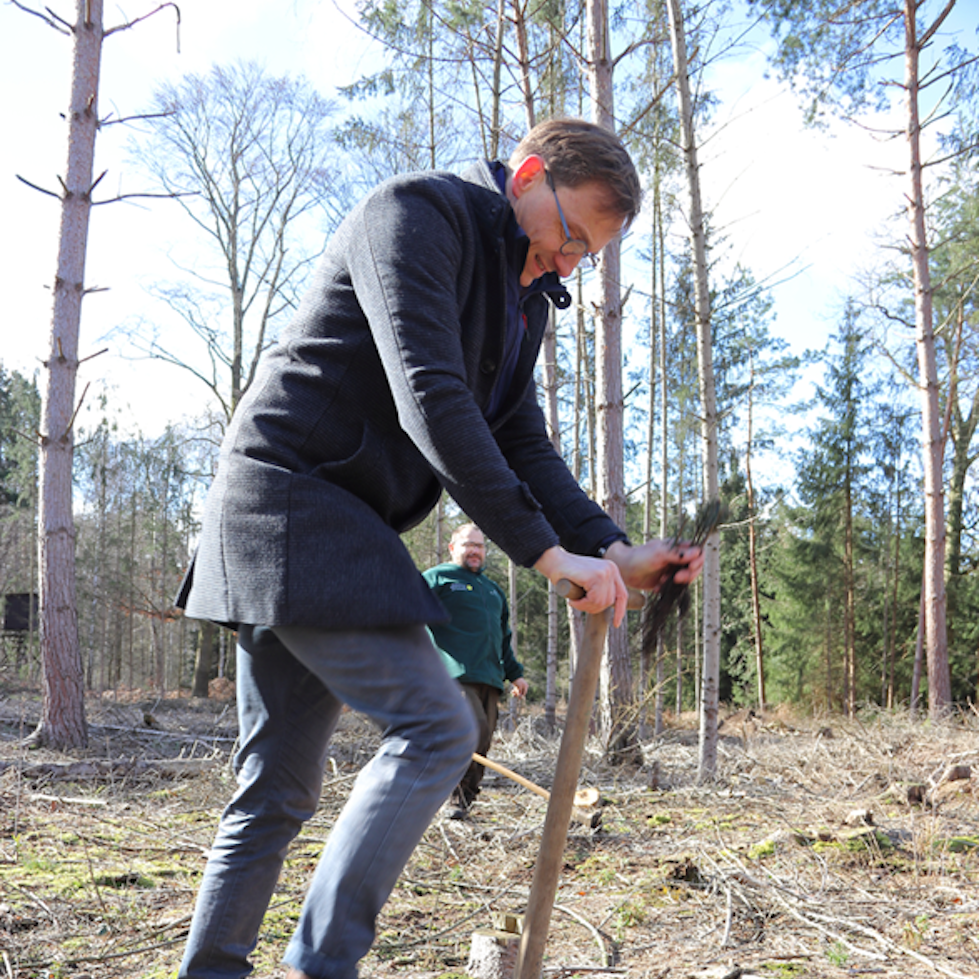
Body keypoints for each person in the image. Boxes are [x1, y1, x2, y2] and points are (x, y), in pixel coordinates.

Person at [174, 116, 704, 979]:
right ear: (527, 174)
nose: (569, 262)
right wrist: (542, 554)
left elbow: (519, 440)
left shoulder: (522, 294)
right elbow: (432, 397)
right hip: (289, 510)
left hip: (334, 531)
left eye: (587, 254)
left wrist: (609, 545)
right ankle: (322, 965)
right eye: (569, 234)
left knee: (275, 788)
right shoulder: (416, 216)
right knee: (436, 726)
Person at [423, 523, 528, 820]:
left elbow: (502, 638)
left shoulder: (493, 590)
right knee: (469, 733)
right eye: (468, 544)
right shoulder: (436, 579)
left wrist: (515, 673)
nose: (475, 551)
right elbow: (406, 616)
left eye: (480, 546)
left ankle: (464, 801)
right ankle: (449, 798)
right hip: (452, 676)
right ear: (453, 548)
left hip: (490, 678)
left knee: (482, 742)